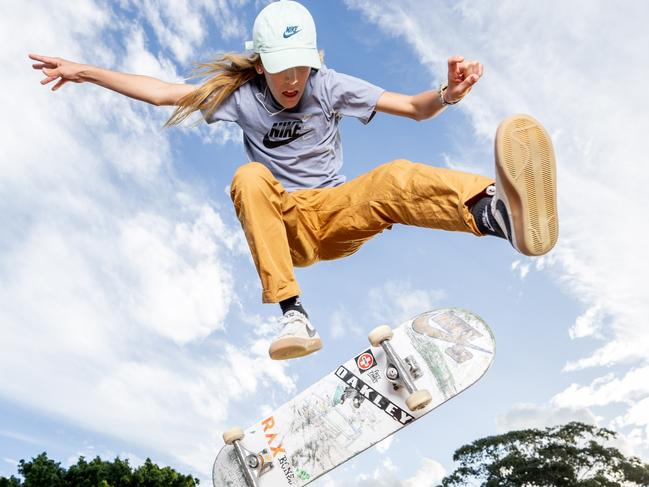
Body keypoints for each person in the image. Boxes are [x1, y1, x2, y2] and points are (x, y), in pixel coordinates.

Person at [30, 0, 558, 361]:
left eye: (301, 68)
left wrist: (447, 93)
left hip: (336, 213)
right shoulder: (238, 97)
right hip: (284, 226)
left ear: (313, 61)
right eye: (281, 69)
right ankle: (293, 314)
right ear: (259, 64)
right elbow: (164, 93)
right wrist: (85, 71)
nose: (291, 81)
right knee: (249, 176)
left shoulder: (329, 87)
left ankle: (497, 215)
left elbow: (414, 109)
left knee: (393, 177)